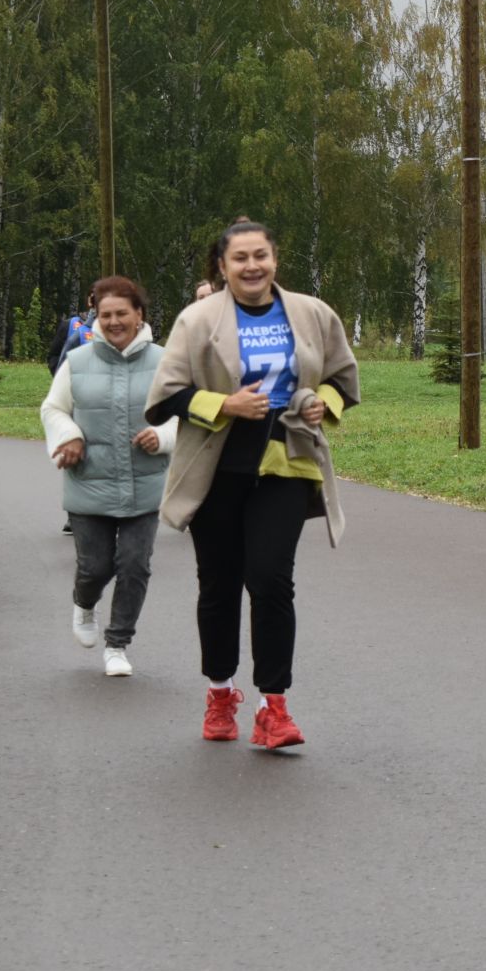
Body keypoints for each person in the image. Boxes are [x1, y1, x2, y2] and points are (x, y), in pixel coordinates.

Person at [145, 218, 359, 749]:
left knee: (270, 580)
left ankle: (274, 707)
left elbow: (342, 379)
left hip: (284, 464)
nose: (251, 266)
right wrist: (225, 404)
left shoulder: (310, 313)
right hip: (216, 470)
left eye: (260, 255)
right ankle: (220, 692)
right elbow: (165, 397)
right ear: (222, 267)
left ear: (275, 259)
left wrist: (318, 405)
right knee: (219, 585)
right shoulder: (196, 321)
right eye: (239, 258)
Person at [41, 276, 177, 678]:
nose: (114, 321)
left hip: (145, 482)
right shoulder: (78, 362)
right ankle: (84, 604)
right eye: (106, 315)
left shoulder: (165, 361)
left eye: (122, 313)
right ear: (96, 317)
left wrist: (163, 436)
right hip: (90, 482)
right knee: (95, 568)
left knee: (135, 565)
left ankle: (117, 645)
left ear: (140, 315)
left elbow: (180, 415)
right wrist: (71, 437)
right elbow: (54, 409)